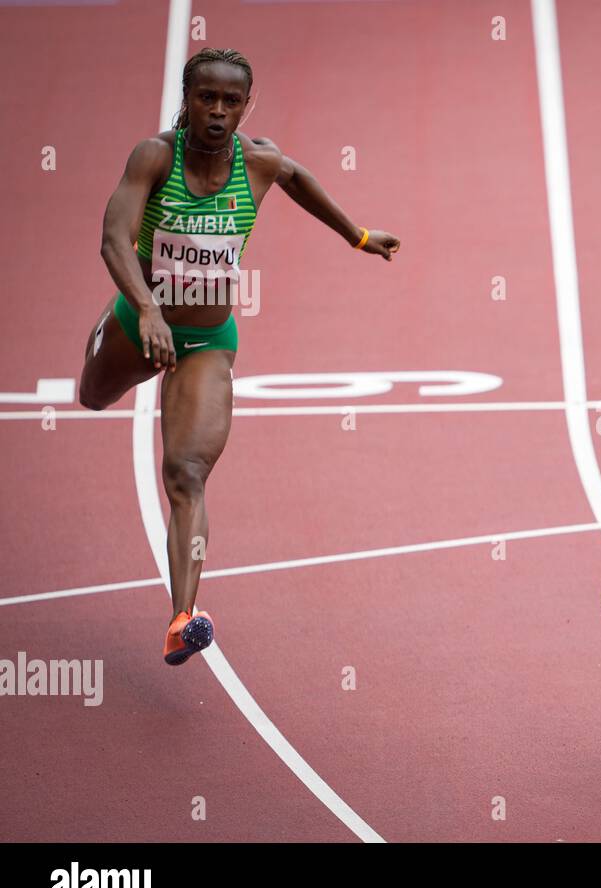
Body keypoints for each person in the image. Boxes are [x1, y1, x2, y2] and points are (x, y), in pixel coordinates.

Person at [78, 48, 400, 665]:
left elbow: (297, 178)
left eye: (231, 101)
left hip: (206, 343)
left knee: (187, 475)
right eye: (207, 98)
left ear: (246, 105)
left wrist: (357, 235)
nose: (219, 111)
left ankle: (182, 616)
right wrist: (145, 307)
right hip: (138, 322)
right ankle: (110, 347)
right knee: (91, 397)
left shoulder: (258, 161)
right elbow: (112, 238)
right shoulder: (155, 157)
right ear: (187, 99)